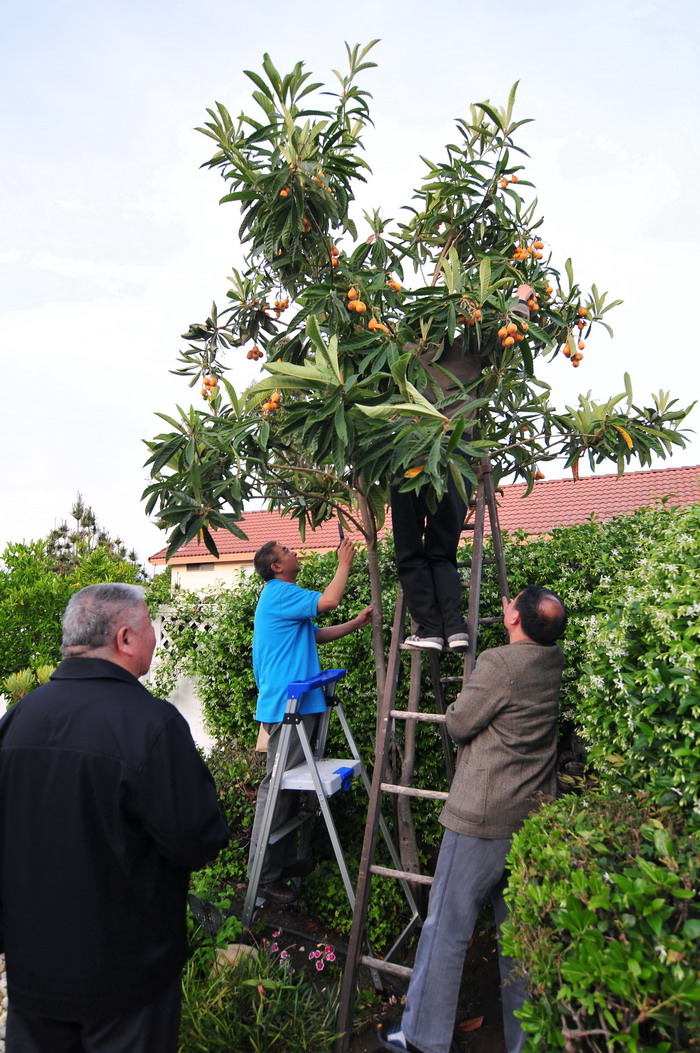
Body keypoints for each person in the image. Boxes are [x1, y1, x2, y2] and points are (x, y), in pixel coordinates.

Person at [0, 583, 230, 1053]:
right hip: (125, 982)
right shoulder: (151, 724)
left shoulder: (18, 718)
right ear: (125, 638)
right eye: (150, 628)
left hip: (32, 974)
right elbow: (198, 839)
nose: (156, 639)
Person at [378, 584, 568, 1053]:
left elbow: (461, 724)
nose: (506, 605)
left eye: (511, 603)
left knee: (447, 927)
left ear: (514, 620)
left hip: (481, 815)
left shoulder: (500, 663)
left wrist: (453, 706)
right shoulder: (553, 660)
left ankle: (423, 1038)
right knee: (522, 935)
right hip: (532, 817)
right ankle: (528, 1041)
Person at [392, 284, 535, 652]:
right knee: (442, 551)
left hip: (407, 457)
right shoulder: (470, 351)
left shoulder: (401, 351)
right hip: (456, 459)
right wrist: (520, 297)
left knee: (410, 551)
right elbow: (512, 329)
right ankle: (454, 630)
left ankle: (428, 630)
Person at [249, 536, 373, 905]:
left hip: (303, 704)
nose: (295, 553)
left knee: (290, 790)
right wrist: (344, 563)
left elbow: (316, 635)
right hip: (289, 709)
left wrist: (357, 622)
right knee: (277, 790)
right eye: (287, 552)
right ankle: (265, 876)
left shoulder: (287, 599)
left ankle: (282, 865)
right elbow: (329, 601)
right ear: (275, 566)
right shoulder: (278, 592)